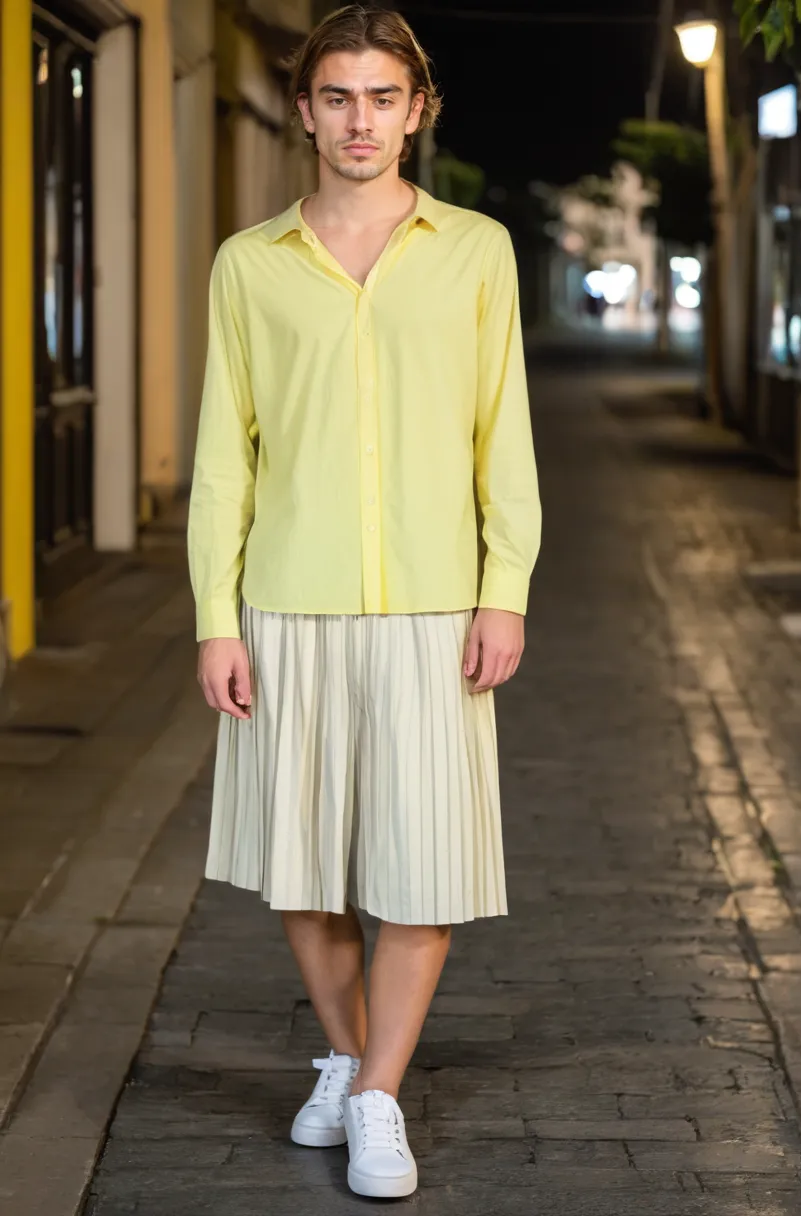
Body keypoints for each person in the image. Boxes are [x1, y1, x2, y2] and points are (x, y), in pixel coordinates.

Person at [187, 3, 541, 1200]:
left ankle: (378, 1094)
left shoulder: (476, 251)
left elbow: (503, 437)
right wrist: (217, 617)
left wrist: (503, 590)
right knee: (302, 869)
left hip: (436, 609)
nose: (360, 120)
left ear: (416, 110)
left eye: (383, 98)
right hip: (286, 603)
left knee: (420, 864)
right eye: (337, 96)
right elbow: (224, 460)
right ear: (304, 110)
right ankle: (347, 1057)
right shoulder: (249, 264)